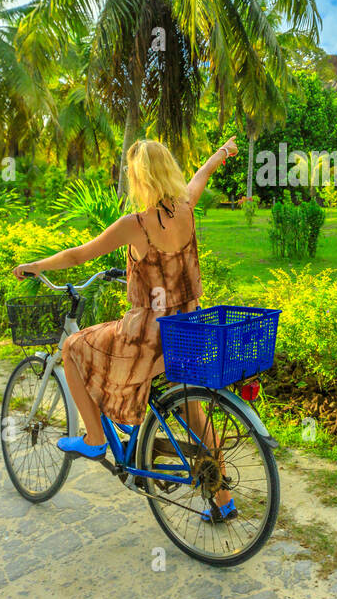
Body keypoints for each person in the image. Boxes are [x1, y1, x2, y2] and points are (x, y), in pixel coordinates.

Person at [12, 137, 239, 520]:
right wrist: (222, 153)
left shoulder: (135, 225)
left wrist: (37, 265)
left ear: (139, 177)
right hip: (187, 331)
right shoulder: (186, 208)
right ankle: (223, 502)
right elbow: (201, 176)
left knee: (72, 348)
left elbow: (78, 255)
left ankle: (95, 438)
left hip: (147, 338)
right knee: (197, 414)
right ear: (168, 169)